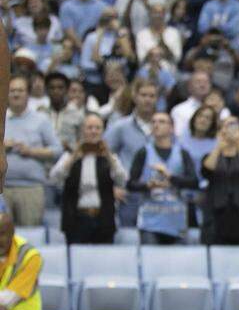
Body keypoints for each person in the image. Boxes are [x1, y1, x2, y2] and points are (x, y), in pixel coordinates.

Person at [50, 113, 127, 244]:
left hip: (104, 220)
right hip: (76, 219)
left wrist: (108, 155)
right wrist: (74, 155)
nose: (93, 131)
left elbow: (122, 180)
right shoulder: (70, 156)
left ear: (103, 131)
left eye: (97, 128)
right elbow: (54, 178)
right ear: (82, 130)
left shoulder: (109, 157)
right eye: (89, 127)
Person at [128, 111, 197, 244]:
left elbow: (193, 182)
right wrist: (148, 185)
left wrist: (170, 176)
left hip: (176, 221)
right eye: (153, 122)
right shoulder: (143, 152)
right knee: (151, 261)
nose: (156, 125)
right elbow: (131, 184)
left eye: (161, 122)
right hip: (150, 222)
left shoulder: (182, 153)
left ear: (172, 128)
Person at [4, 75, 62, 226]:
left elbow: (57, 151)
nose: (16, 94)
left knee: (30, 237)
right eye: (12, 90)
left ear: (28, 94)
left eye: (20, 90)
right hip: (2, 190)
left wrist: (30, 151)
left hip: (31, 189)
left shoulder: (41, 120)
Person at [200, 116, 239, 245]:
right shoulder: (210, 155)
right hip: (216, 215)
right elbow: (206, 172)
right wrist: (219, 146)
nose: (230, 129)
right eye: (227, 125)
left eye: (234, 125)